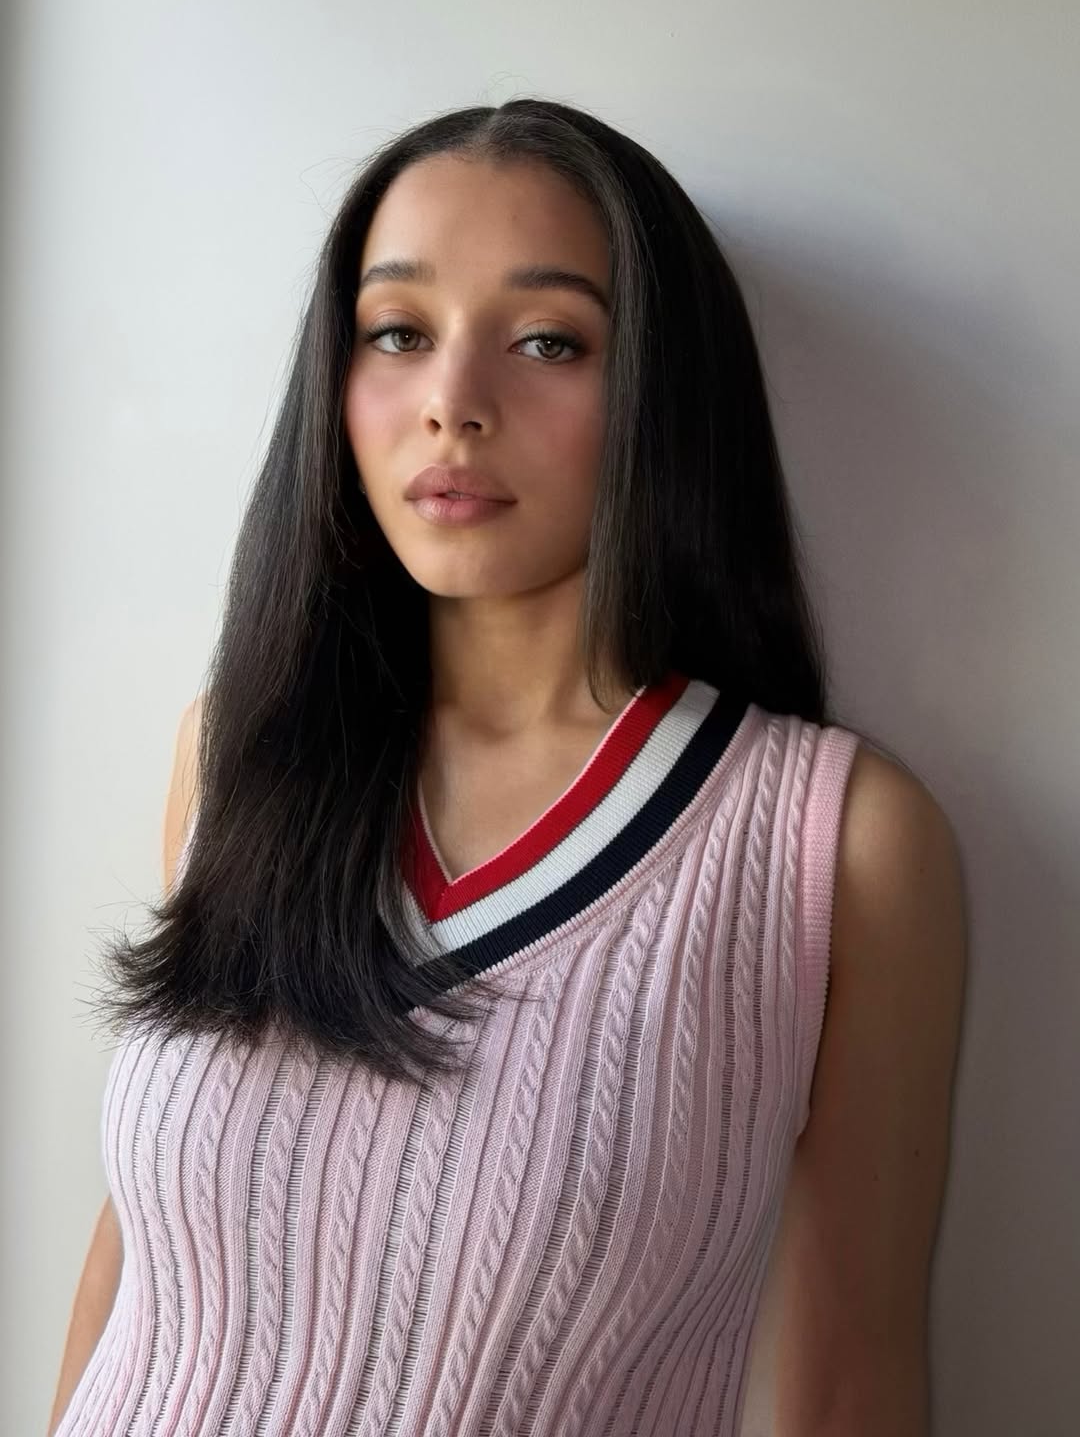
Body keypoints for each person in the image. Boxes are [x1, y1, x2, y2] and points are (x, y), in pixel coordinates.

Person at [48, 97, 966, 1437]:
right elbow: (136, 1266)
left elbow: (850, 1384)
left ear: (662, 390)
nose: (452, 405)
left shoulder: (835, 842)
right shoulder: (237, 754)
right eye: (398, 332)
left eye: (547, 341)